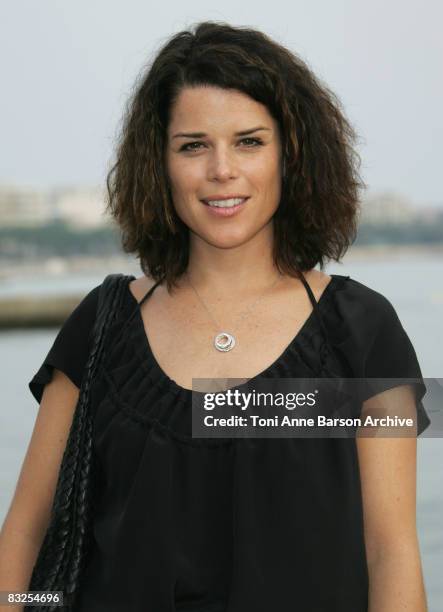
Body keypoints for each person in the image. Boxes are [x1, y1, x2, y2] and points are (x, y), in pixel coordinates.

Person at [0, 20, 430, 612]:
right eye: (192, 145)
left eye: (250, 141)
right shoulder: (101, 325)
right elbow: (25, 532)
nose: (221, 170)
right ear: (160, 163)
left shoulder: (361, 332)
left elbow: (390, 551)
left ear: (292, 154)